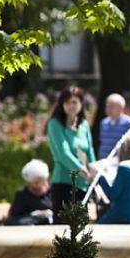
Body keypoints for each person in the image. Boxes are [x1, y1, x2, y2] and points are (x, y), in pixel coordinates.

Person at [46, 85, 96, 214]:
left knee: (81, 229)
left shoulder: (83, 124)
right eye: (67, 102)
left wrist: (93, 170)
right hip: (64, 183)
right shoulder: (55, 124)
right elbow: (63, 153)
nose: (71, 106)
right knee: (63, 230)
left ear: (81, 104)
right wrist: (80, 169)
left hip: (82, 185)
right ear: (62, 104)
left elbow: (89, 151)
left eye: (75, 102)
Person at [7, 159, 54, 226]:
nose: (34, 186)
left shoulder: (54, 191)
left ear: (45, 179)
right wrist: (34, 215)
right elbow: (12, 219)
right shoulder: (22, 194)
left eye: (38, 182)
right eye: (31, 183)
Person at [97, 94, 130, 160]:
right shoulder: (103, 122)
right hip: (103, 160)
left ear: (121, 107)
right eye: (107, 106)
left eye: (112, 106)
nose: (108, 109)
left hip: (120, 161)